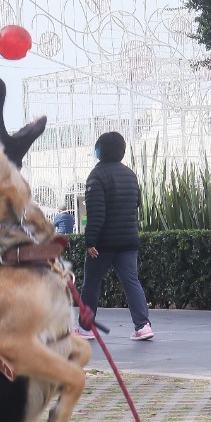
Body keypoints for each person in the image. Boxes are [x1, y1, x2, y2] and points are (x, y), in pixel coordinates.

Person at [75, 131, 153, 341]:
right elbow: (136, 204)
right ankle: (143, 325)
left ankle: (86, 327)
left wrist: (90, 241)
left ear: (101, 150)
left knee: (91, 283)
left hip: (103, 244)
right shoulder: (130, 174)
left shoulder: (97, 176)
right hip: (128, 241)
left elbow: (96, 213)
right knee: (131, 282)